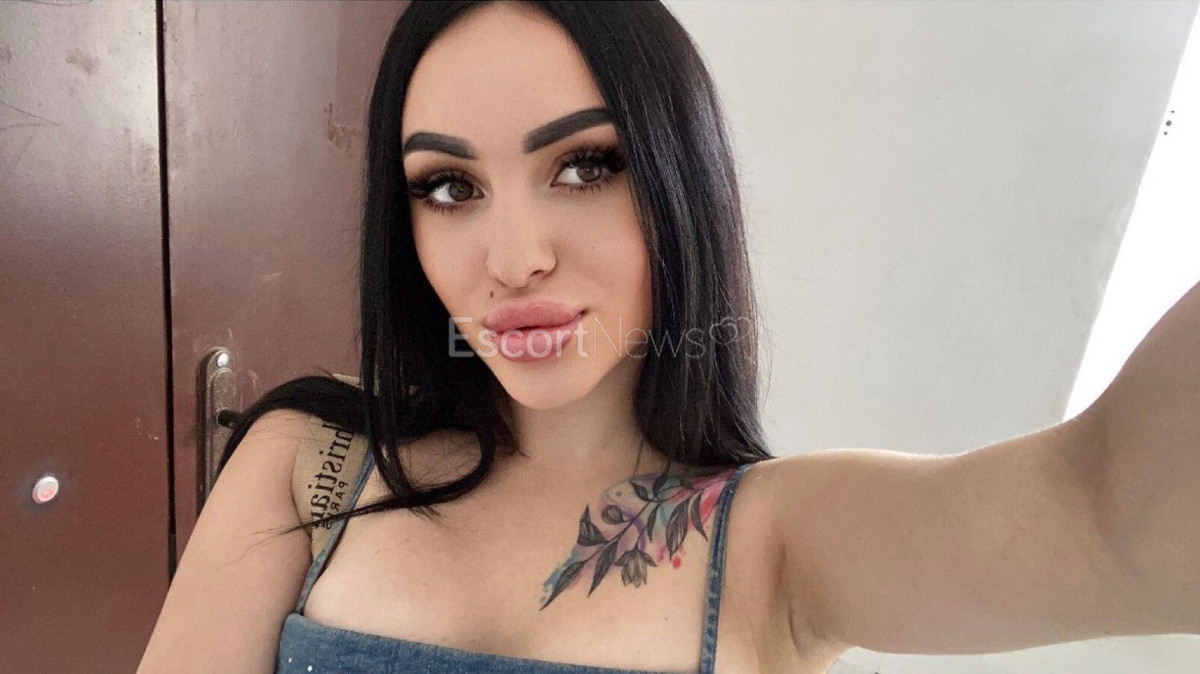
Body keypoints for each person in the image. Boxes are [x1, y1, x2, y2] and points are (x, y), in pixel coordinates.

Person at [138, 2, 1200, 673]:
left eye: (586, 165)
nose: (513, 258)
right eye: (449, 186)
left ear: (680, 182)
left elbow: (1106, 517)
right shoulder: (311, 461)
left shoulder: (782, 540)